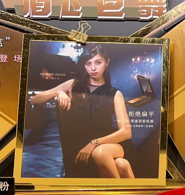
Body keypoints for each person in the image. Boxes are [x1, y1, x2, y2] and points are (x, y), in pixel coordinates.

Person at [29, 45, 136, 179]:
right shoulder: (73, 85)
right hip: (79, 147)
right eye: (88, 63)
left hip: (107, 144)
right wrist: (58, 92)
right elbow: (35, 100)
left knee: (101, 153)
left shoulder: (114, 94)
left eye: (98, 62)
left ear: (107, 62)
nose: (93, 68)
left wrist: (94, 143)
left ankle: (119, 192)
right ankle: (132, 191)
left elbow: (126, 132)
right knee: (121, 164)